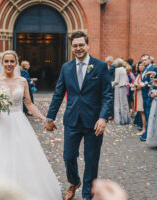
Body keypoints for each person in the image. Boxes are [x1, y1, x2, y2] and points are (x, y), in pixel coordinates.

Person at [0, 50, 61, 200]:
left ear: (16, 63)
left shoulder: (22, 81)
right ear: (2, 63)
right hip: (0, 122)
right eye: (6, 61)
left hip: (18, 120)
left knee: (23, 156)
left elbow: (29, 104)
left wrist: (44, 118)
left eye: (12, 61)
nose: (9, 64)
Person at [45, 31, 113, 200]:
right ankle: (74, 182)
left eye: (81, 45)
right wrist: (50, 117)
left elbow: (107, 94)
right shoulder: (66, 67)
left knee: (91, 160)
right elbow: (58, 93)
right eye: (75, 45)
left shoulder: (100, 66)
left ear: (87, 45)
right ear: (72, 47)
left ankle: (87, 195)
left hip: (94, 121)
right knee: (68, 156)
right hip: (72, 120)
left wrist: (103, 118)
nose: (78, 48)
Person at [112, 58, 130, 125]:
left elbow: (116, 81)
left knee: (118, 104)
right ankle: (125, 119)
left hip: (118, 87)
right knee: (124, 103)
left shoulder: (117, 69)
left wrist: (111, 84)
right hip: (123, 87)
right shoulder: (123, 69)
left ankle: (119, 119)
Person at [131, 62, 146, 136]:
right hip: (138, 94)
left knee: (143, 112)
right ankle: (143, 128)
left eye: (142, 65)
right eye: (139, 65)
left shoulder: (143, 75)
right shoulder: (139, 75)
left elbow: (142, 84)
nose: (140, 67)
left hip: (141, 94)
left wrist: (137, 85)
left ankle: (144, 129)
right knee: (141, 112)